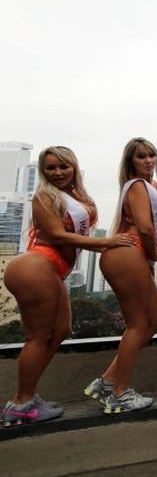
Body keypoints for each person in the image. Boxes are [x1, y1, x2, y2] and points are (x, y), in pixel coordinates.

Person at [3, 147, 134, 426]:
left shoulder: (77, 197)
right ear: (43, 171)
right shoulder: (43, 196)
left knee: (60, 331)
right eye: (50, 168)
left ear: (73, 167)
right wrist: (107, 243)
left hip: (54, 272)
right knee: (38, 337)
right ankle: (20, 403)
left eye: (63, 166)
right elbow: (57, 235)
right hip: (36, 266)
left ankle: (27, 397)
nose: (57, 172)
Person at [86, 138, 157, 413]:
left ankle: (107, 382)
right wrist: (155, 253)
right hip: (130, 251)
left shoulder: (150, 187)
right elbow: (147, 229)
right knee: (138, 324)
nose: (149, 161)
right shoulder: (137, 186)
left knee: (156, 318)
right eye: (141, 157)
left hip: (131, 255)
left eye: (152, 155)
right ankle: (120, 394)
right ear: (130, 162)